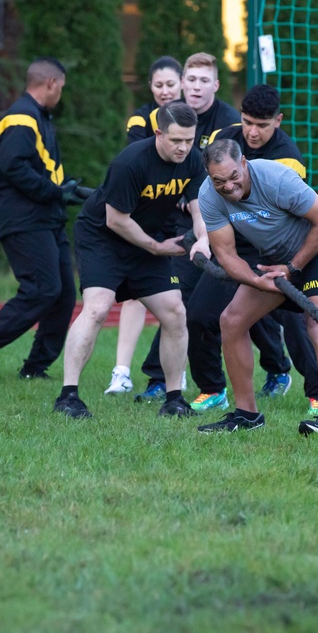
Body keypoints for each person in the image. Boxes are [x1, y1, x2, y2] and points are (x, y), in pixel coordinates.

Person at [53, 102, 209, 419]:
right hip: (103, 238)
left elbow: (198, 207)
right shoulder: (132, 162)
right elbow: (116, 220)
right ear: (158, 133)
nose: (183, 148)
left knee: (176, 312)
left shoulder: (192, 160)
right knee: (97, 307)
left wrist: (203, 239)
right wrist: (156, 247)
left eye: (189, 140)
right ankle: (68, 396)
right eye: (176, 140)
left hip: (148, 239)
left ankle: (174, 399)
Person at [187, 84, 318, 418]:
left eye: (262, 125)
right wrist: (204, 237)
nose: (252, 131)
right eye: (247, 121)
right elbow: (208, 189)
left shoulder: (288, 159)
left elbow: (300, 220)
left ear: (277, 121)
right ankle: (213, 389)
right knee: (201, 315)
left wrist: (288, 268)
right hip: (234, 244)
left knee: (298, 320)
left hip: (280, 247)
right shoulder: (226, 138)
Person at [195, 139, 318, 437]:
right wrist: (257, 280)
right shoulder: (208, 196)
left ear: (244, 163)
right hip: (274, 262)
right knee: (231, 321)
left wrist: (293, 267)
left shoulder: (277, 178)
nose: (228, 186)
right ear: (208, 174)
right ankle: (247, 415)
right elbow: (226, 255)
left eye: (233, 177)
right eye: (219, 180)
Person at [0, 57, 83, 381]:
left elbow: (40, 168)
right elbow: (14, 167)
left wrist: (64, 191)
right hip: (25, 220)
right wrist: (56, 192)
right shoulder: (20, 118)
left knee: (64, 293)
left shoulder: (38, 117)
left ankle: (35, 367)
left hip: (46, 219)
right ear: (51, 83)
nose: (61, 94)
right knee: (43, 288)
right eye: (62, 88)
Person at [130, 51, 244, 402]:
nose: (195, 87)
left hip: (225, 223)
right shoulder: (172, 116)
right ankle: (160, 379)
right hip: (185, 225)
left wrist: (195, 193)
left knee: (253, 307)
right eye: (190, 80)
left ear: (216, 85)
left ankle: (279, 369)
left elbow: (225, 173)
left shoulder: (229, 122)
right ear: (182, 84)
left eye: (202, 80)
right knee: (179, 299)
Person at [105, 56, 184, 395]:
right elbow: (145, 164)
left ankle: (173, 378)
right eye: (158, 85)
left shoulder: (192, 117)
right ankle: (121, 373)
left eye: (170, 84)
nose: (165, 91)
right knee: (136, 296)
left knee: (181, 301)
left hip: (180, 221)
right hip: (148, 217)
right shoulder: (140, 119)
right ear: (150, 87)